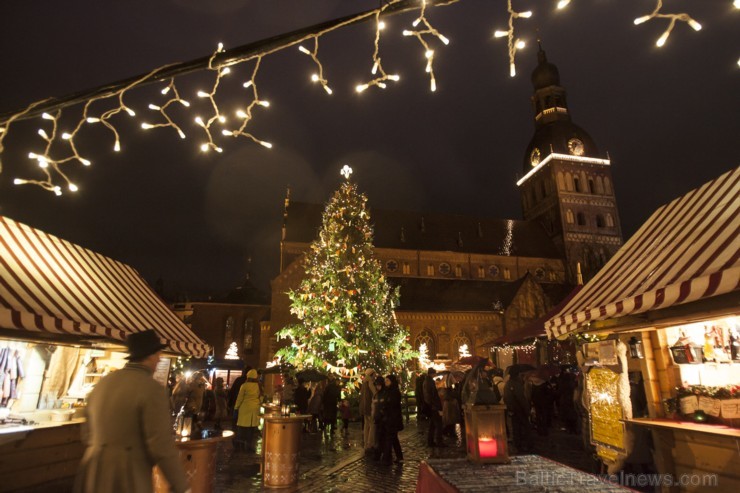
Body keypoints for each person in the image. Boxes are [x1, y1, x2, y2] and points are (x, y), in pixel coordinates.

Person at [74, 330, 190, 493]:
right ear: (150, 356)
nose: (159, 359)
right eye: (158, 354)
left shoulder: (104, 382)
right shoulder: (152, 389)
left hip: (93, 473)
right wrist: (181, 486)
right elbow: (161, 445)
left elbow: (86, 433)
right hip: (126, 476)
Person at [504, 368, 534, 453]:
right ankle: (527, 445)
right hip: (519, 410)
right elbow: (521, 399)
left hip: (513, 410)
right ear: (517, 375)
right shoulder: (516, 385)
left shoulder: (508, 384)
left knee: (515, 428)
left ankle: (518, 445)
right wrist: (527, 409)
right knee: (525, 427)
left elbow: (506, 398)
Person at [234, 369, 261, 452]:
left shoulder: (244, 385)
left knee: (242, 427)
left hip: (245, 408)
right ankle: (249, 444)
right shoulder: (258, 385)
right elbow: (260, 396)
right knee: (251, 427)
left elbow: (240, 398)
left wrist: (236, 407)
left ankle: (241, 443)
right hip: (255, 408)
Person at [381, 374, 404, 465]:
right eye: (385, 381)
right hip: (388, 418)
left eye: (387, 381)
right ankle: (399, 457)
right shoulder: (387, 391)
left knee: (389, 438)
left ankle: (386, 459)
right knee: (394, 439)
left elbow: (393, 404)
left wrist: (386, 403)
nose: (385, 382)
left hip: (393, 418)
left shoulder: (394, 392)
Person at [423, 367, 444, 447]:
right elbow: (432, 395)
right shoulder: (430, 382)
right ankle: (439, 442)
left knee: (432, 425)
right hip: (433, 406)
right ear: (432, 373)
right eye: (434, 373)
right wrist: (437, 406)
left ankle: (430, 441)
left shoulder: (426, 381)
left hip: (431, 405)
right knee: (439, 425)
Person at [359, 368, 378, 454]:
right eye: (374, 374)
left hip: (363, 407)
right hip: (369, 406)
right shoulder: (370, 382)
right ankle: (370, 444)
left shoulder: (364, 382)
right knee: (372, 425)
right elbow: (374, 393)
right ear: (371, 374)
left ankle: (366, 443)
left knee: (366, 425)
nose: (375, 375)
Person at [370, 376, 387, 461]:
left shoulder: (384, 393)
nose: (378, 387)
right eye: (377, 385)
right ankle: (377, 454)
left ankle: (383, 454)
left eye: (379, 385)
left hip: (383, 419)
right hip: (377, 418)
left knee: (382, 437)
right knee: (377, 437)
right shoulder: (376, 394)